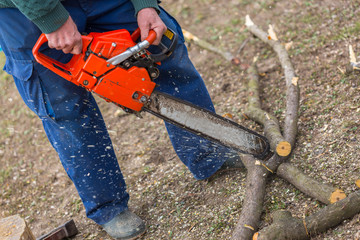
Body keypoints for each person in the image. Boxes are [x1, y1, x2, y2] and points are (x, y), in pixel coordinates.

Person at [0, 0, 243, 239]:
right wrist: (50, 17)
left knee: (160, 47)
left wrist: (145, 3)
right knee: (63, 104)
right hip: (25, 10)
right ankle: (108, 206)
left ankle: (207, 152)